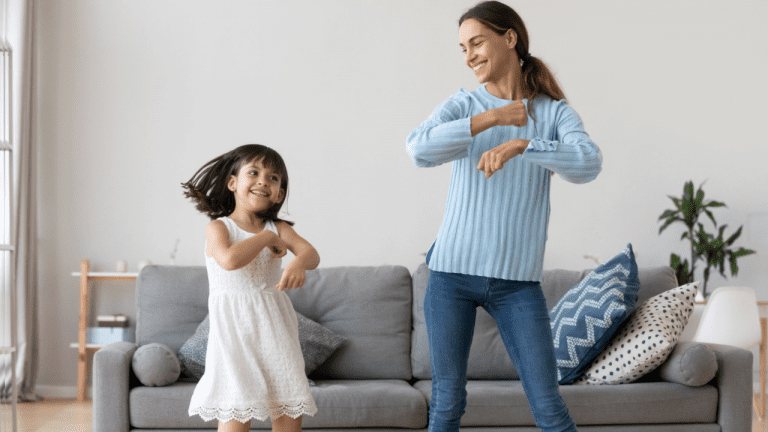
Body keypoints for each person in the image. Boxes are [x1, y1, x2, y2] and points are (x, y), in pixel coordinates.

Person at [406, 2, 602, 431]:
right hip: (450, 277)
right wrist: (492, 118)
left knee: (549, 407)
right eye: (463, 48)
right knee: (446, 403)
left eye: (476, 43)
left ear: (509, 38)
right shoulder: (464, 105)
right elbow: (418, 149)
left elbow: (588, 163)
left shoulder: (553, 113)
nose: (469, 56)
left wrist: (524, 145)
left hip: (517, 284)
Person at [182, 144, 319, 432]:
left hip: (276, 330)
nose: (263, 181)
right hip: (234, 336)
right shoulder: (219, 228)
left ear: (279, 194)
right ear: (233, 183)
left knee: (287, 407)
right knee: (235, 410)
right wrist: (266, 237)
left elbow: (311, 255)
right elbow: (230, 260)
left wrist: (298, 263)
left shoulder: (280, 228)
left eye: (273, 178)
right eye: (254, 173)